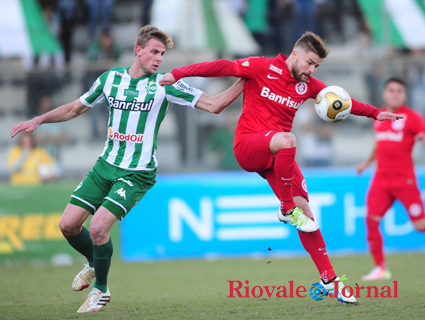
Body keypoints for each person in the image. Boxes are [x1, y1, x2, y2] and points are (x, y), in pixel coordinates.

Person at [11, 25, 245, 313]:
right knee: (68, 225)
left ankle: (101, 290)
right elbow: (74, 108)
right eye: (154, 52)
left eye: (162, 53)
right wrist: (39, 120)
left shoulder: (164, 84)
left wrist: (244, 81)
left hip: (137, 172)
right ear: (138, 50)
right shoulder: (110, 79)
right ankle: (94, 263)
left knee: (97, 228)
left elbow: (214, 105)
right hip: (105, 165)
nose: (159, 58)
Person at [159, 31, 401, 304]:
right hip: (248, 146)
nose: (311, 70)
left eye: (316, 67)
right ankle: (286, 210)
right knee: (288, 141)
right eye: (309, 63)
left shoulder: (307, 85)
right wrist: (178, 73)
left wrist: (374, 113)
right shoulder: (263, 66)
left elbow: (341, 102)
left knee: (307, 214)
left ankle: (329, 279)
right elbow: (222, 66)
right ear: (294, 54)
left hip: (277, 157)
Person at [356, 78, 425, 280]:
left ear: (404, 95)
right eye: (391, 90)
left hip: (405, 182)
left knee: (420, 227)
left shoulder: (412, 117)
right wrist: (366, 162)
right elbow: (380, 144)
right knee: (371, 220)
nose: (395, 94)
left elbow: (422, 133)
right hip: (381, 181)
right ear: (385, 93)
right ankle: (381, 268)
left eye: (399, 91)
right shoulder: (378, 116)